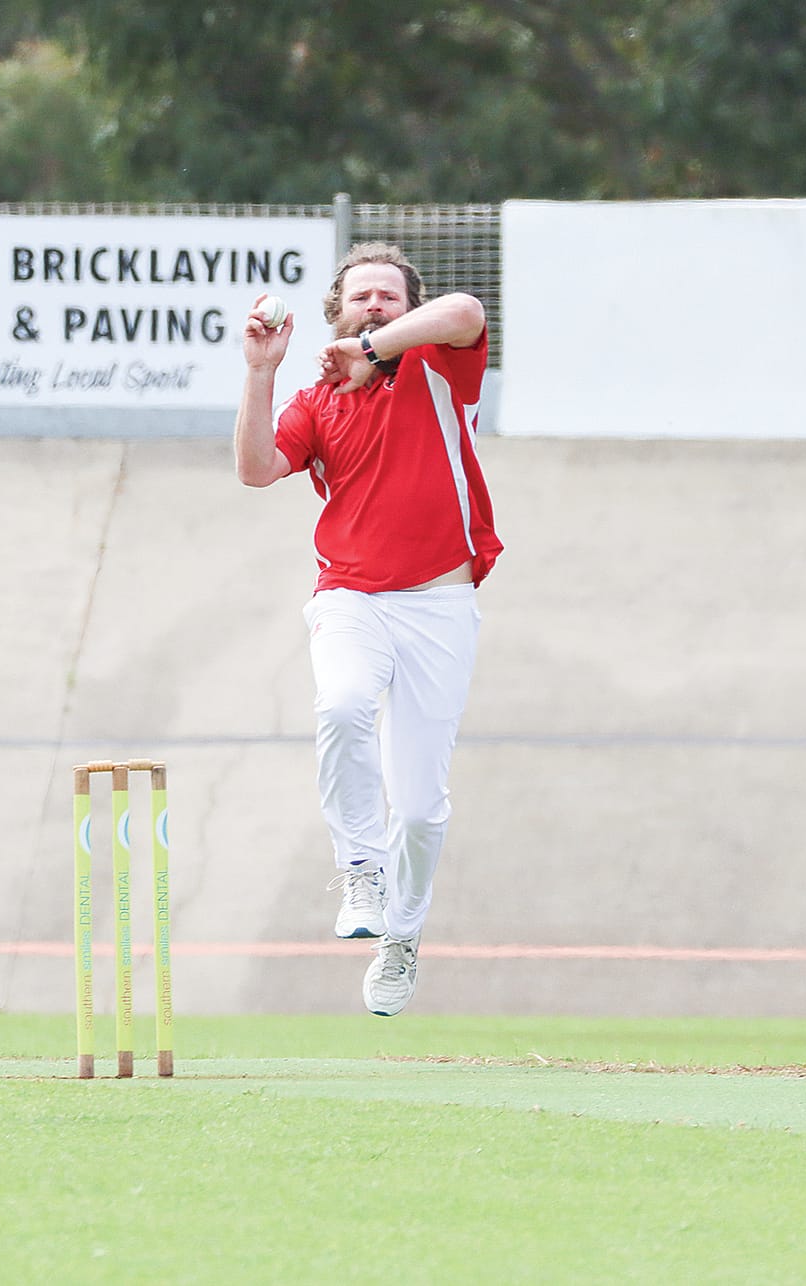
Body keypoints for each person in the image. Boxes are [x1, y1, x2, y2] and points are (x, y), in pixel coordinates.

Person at [233, 243, 502, 1016]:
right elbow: (255, 470)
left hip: (441, 604)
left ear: (406, 308)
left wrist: (378, 349)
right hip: (350, 597)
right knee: (342, 705)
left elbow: (467, 313)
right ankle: (360, 868)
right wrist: (261, 371)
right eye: (361, 298)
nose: (375, 305)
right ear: (335, 310)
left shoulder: (439, 366)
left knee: (418, 809)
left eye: (389, 295)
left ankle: (403, 937)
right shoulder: (317, 400)